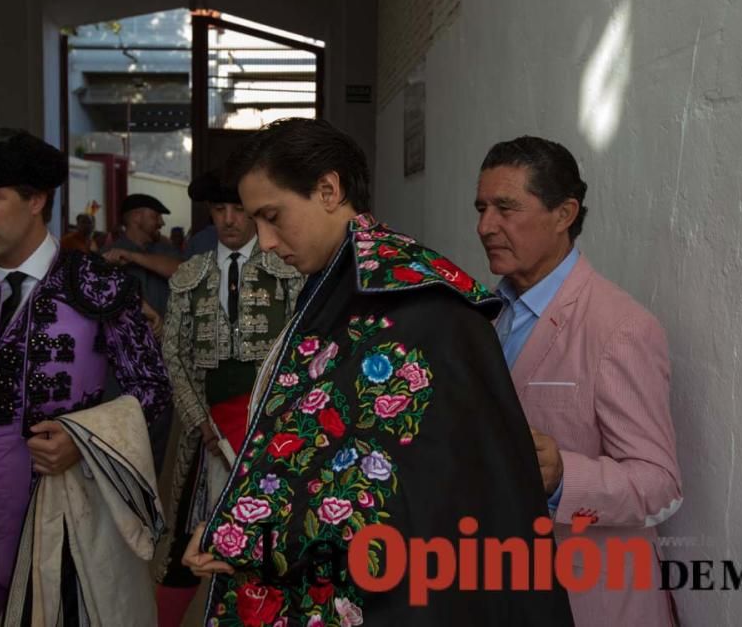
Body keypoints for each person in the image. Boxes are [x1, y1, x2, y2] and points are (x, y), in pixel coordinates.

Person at [181, 118, 574, 626]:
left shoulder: (417, 306)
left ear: (329, 189)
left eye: (273, 216)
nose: (267, 241)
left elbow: (392, 494)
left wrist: (245, 534)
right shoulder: (343, 287)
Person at [0, 128, 172, 626]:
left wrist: (83, 440)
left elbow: (152, 388)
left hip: (63, 510)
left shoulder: (96, 284)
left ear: (36, 200)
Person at [475, 135, 683, 627]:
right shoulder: (483, 314)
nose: (486, 226)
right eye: (481, 208)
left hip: (592, 603)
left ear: (564, 214)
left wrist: (564, 475)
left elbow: (661, 485)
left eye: (506, 207)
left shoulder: (619, 328)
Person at [154, 170, 303, 626]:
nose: (229, 220)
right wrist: (198, 418)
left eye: (238, 209)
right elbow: (173, 353)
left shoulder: (286, 271)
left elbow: (302, 345)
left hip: (272, 424)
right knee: (186, 536)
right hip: (206, 429)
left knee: (275, 530)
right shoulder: (189, 275)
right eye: (220, 210)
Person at [102, 193, 182, 316]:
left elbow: (184, 272)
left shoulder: (166, 251)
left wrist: (132, 257)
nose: (162, 222)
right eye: (156, 216)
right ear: (136, 217)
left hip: (167, 333)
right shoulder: (108, 254)